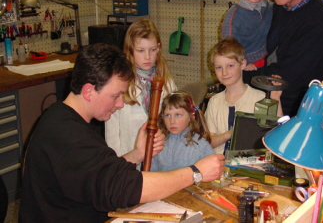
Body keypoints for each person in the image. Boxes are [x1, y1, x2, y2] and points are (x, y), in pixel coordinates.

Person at [19, 43, 225, 223]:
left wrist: (136, 155)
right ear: (89, 91)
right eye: (116, 95)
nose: (119, 104)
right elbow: (126, 188)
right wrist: (195, 172)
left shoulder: (62, 117)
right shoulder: (68, 135)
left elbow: (98, 173)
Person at [105, 19, 176, 158]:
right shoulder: (120, 83)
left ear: (159, 47)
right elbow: (112, 131)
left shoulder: (167, 81)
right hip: (129, 157)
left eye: (153, 50)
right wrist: (117, 164)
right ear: (130, 50)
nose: (148, 56)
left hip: (161, 157)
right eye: (140, 50)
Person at [205, 37, 266, 155]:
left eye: (230, 66)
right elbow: (208, 142)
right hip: (218, 166)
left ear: (242, 64)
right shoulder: (214, 102)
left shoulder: (260, 98)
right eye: (219, 67)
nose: (224, 72)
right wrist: (230, 133)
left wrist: (276, 99)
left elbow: (274, 136)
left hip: (250, 167)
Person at [221, 0, 273, 85]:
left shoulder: (271, 8)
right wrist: (242, 63)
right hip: (245, 66)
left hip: (266, 63)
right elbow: (229, 46)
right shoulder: (234, 14)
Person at [151, 91, 214, 172]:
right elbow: (151, 173)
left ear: (191, 116)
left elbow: (211, 173)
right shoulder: (159, 144)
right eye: (167, 115)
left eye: (178, 115)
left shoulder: (200, 145)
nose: (172, 121)